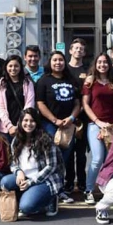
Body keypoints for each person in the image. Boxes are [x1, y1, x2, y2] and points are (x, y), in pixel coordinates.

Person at [0, 108, 65, 218]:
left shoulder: (45, 140)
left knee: (26, 207)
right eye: (25, 120)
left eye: (32, 121)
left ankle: (51, 199)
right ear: (20, 122)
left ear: (37, 123)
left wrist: (30, 183)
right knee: (4, 182)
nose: (28, 124)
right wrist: (18, 172)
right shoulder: (16, 140)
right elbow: (13, 163)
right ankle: (30, 195)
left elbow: (51, 166)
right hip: (25, 177)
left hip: (45, 180)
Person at [35, 51, 81, 204]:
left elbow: (77, 103)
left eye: (61, 60)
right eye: (55, 60)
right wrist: (54, 120)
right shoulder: (43, 81)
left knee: (64, 158)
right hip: (50, 124)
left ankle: (60, 190)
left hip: (68, 125)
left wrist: (71, 118)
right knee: (51, 158)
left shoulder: (71, 80)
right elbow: (40, 103)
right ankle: (50, 190)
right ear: (50, 62)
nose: (58, 63)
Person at [82, 53, 113, 205]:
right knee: (97, 159)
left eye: (105, 62)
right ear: (95, 64)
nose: (102, 65)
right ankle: (89, 190)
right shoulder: (89, 82)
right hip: (95, 125)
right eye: (100, 62)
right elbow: (85, 104)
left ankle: (108, 190)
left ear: (109, 65)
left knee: (109, 160)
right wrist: (98, 122)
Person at [65, 38, 90, 196]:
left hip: (84, 117)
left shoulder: (88, 70)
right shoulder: (64, 69)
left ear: (84, 52)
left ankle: (82, 182)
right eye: (75, 48)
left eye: (81, 49)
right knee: (68, 151)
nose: (78, 51)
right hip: (67, 117)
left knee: (81, 154)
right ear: (70, 51)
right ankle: (68, 182)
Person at [0, 55, 35, 140]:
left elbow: (29, 104)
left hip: (24, 126)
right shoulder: (1, 83)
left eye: (16, 66)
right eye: (10, 66)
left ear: (21, 67)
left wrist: (21, 124)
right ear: (6, 67)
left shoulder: (27, 83)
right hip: (5, 128)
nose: (13, 68)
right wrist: (9, 126)